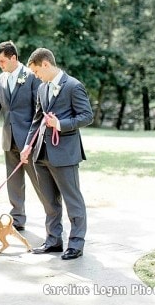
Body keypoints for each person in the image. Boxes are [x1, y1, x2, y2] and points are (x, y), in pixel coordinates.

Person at [20, 47, 93, 260]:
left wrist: (60, 124)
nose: (35, 76)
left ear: (46, 64)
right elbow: (36, 120)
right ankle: (53, 241)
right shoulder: (42, 89)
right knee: (49, 201)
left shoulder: (73, 86)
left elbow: (86, 116)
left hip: (65, 154)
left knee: (72, 200)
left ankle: (76, 244)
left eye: (36, 71)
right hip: (41, 153)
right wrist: (27, 146)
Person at [0, 41, 43, 231]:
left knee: (40, 182)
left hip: (30, 141)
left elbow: (39, 110)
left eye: (2, 61)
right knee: (14, 182)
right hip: (8, 138)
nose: (0, 65)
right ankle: (18, 218)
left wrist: (32, 140)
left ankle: (53, 219)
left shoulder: (31, 76)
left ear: (13, 58)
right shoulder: (0, 80)